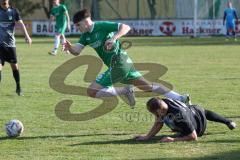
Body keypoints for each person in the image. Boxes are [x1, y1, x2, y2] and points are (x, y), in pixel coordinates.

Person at [63, 9, 191, 108]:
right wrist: (70, 47)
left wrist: (114, 38)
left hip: (119, 63)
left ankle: (124, 91)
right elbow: (77, 51)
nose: (77, 28)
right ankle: (180, 98)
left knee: (92, 91)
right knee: (147, 87)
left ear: (86, 21)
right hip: (124, 64)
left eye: (78, 25)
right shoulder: (85, 36)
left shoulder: (102, 26)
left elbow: (125, 27)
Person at [135, 97, 237, 142]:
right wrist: (147, 137)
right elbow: (158, 123)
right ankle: (228, 122)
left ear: (160, 110)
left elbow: (193, 137)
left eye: (155, 113)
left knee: (202, 112)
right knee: (202, 111)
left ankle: (228, 121)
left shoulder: (178, 115)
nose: (155, 116)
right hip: (192, 112)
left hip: (198, 129)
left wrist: (173, 139)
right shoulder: (163, 102)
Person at [0, 0, 32, 96]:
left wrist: (27, 36)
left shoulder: (14, 11)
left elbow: (21, 24)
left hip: (10, 44)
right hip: (0, 45)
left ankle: (18, 86)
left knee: (14, 66)